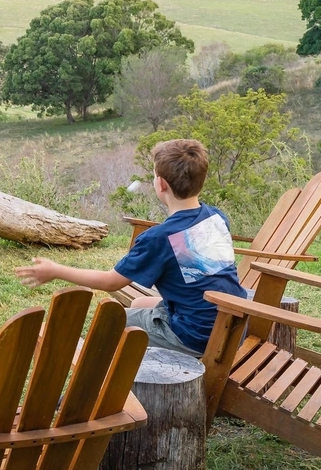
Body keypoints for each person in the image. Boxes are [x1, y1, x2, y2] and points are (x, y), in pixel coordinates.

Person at [15, 139, 247, 357]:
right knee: (137, 304)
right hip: (230, 324)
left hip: (196, 336)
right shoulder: (215, 216)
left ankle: (102, 387)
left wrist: (56, 270)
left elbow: (111, 282)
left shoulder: (159, 238)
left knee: (110, 324)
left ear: (161, 183)